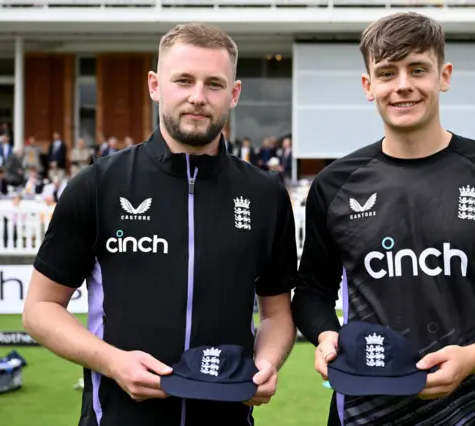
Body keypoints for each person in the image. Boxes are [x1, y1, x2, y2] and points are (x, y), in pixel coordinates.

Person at [291, 12, 475, 426]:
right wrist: (325, 335)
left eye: (417, 69)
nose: (403, 85)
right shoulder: (335, 185)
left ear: (444, 76)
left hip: (474, 412)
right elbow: (312, 293)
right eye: (387, 72)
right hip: (363, 412)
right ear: (369, 86)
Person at [22, 23, 297, 426]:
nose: (197, 97)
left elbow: (276, 314)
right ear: (155, 85)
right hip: (116, 417)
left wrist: (266, 363)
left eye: (214, 84)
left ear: (234, 93)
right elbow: (40, 308)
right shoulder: (98, 184)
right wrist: (112, 362)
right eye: (183, 80)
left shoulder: (265, 194)